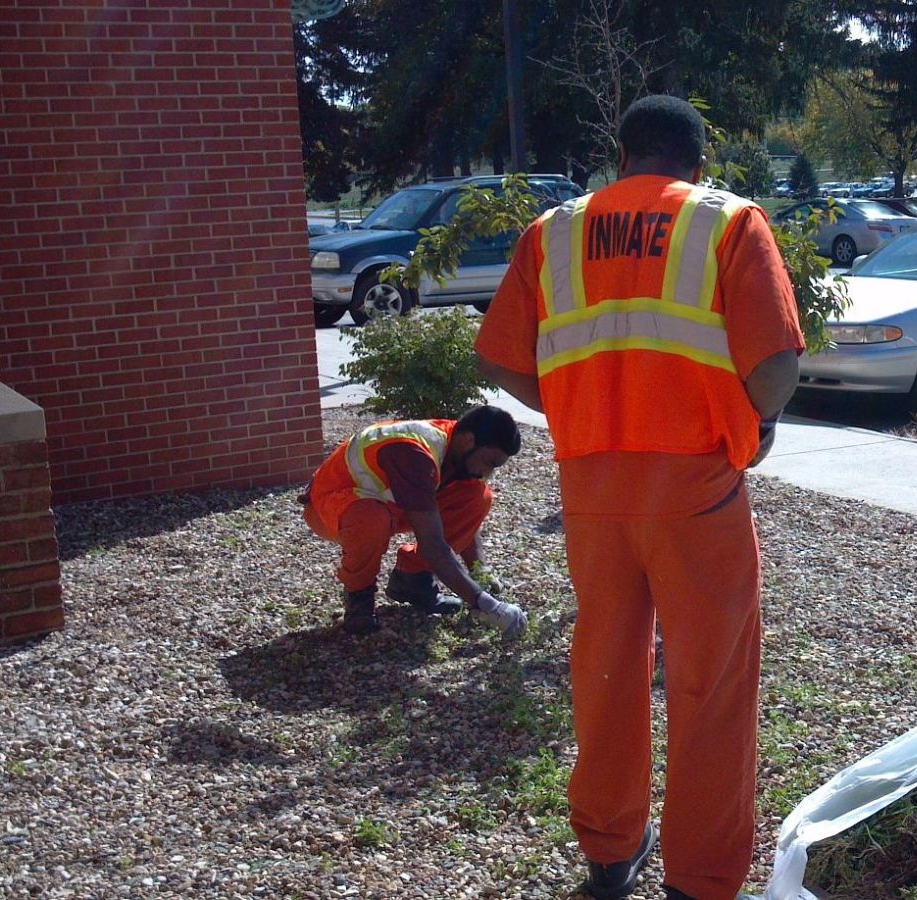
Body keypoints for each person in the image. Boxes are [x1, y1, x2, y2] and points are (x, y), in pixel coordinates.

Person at [475, 95, 803, 900]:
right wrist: (755, 424)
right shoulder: (727, 223)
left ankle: (610, 853)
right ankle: (698, 879)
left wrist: (581, 405)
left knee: (606, 669)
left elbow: (501, 361)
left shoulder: (552, 232)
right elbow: (776, 367)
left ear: (620, 158)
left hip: (592, 488)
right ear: (697, 164)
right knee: (711, 683)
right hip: (694, 490)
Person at [301, 405, 528, 640]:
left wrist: (480, 571)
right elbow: (433, 544)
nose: (487, 472)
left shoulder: (455, 441)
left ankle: (412, 580)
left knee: (477, 495)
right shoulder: (414, 454)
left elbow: (465, 520)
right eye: (490, 462)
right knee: (372, 519)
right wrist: (486, 604)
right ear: (469, 441)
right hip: (329, 506)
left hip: (389, 502)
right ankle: (359, 599)